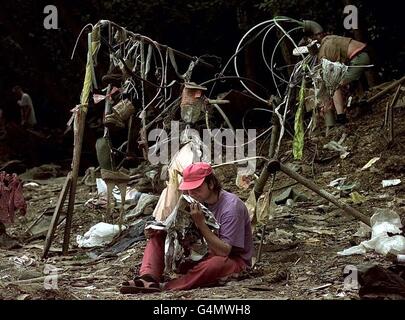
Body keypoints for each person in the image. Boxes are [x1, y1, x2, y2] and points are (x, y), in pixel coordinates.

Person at [121, 162, 253, 293]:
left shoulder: (231, 207)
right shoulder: (195, 201)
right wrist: (162, 230)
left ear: (211, 184)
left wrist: (201, 224)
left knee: (216, 263)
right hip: (201, 252)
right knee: (157, 235)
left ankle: (169, 286)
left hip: (232, 260)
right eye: (190, 189)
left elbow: (224, 252)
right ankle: (148, 278)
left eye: (197, 189)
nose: (193, 193)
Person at [309, 33, 371, 125]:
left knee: (335, 86)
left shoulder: (324, 51)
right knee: (352, 78)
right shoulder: (330, 40)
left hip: (359, 59)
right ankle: (363, 103)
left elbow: (332, 76)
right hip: (362, 54)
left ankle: (341, 117)